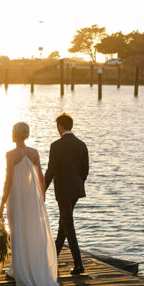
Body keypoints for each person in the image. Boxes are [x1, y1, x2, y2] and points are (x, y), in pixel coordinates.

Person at [0, 122, 58, 286]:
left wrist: (2, 202)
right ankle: (28, 269)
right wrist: (42, 199)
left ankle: (20, 272)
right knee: (32, 231)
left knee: (18, 230)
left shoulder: (10, 154)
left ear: (14, 134)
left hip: (17, 197)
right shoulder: (34, 153)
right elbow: (40, 177)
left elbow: (8, 180)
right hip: (32, 199)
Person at [44, 113, 89, 276]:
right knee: (64, 223)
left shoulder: (56, 145)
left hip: (63, 190)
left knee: (68, 226)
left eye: (57, 126)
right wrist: (78, 183)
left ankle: (78, 265)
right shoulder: (81, 144)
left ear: (60, 127)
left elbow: (51, 170)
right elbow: (85, 170)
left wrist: (42, 189)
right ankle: (53, 259)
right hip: (76, 190)